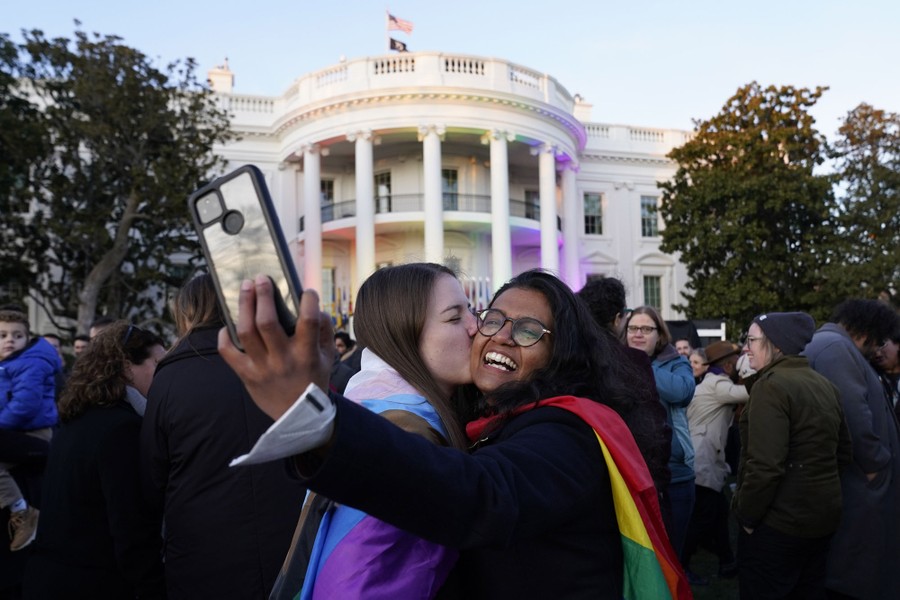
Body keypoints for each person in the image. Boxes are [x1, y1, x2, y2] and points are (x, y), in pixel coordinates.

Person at [222, 271, 689, 599]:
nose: (496, 335)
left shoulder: (567, 434)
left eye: (528, 331)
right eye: (491, 318)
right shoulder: (474, 417)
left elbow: (482, 494)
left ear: (561, 355)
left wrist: (325, 424)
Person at [271, 263, 477, 599]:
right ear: (403, 335)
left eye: (472, 310)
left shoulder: (368, 406)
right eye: (454, 317)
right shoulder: (404, 429)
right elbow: (357, 575)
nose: (474, 326)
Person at [139, 274, 306, 599]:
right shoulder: (283, 362)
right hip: (290, 542)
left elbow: (152, 474)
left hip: (203, 547)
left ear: (187, 311)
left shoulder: (172, 375)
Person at [23, 321, 166, 599]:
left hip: (50, 578)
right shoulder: (121, 428)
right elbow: (130, 527)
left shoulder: (80, 417)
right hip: (90, 583)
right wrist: (153, 588)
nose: (164, 376)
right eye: (158, 365)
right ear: (126, 366)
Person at [734, 312, 851, 599]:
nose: (745, 347)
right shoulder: (824, 385)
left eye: (751, 340)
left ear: (776, 345)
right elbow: (843, 453)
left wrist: (747, 518)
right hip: (819, 523)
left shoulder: (772, 386)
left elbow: (765, 466)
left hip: (779, 527)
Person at [803, 299, 900, 600]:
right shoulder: (836, 349)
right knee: (856, 575)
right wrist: (876, 465)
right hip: (860, 488)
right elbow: (853, 415)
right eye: (880, 340)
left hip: (859, 486)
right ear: (868, 331)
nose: (879, 350)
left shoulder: (834, 346)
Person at [576, 276, 672, 494]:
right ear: (617, 319)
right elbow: (654, 428)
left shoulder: (566, 357)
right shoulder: (633, 361)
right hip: (627, 479)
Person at [620, 306, 696, 560]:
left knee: (673, 554)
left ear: (659, 334)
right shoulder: (617, 364)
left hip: (675, 476)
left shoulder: (677, 363)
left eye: (646, 329)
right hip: (633, 475)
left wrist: (639, 364)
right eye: (633, 328)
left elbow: (681, 392)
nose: (638, 334)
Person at [683, 341, 747, 582]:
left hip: (703, 458)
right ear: (729, 364)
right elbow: (748, 394)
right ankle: (682, 565)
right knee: (702, 518)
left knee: (717, 514)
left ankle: (727, 562)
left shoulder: (710, 382)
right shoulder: (718, 384)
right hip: (704, 459)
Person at [0, 309, 61, 551]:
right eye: (2, 335)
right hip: (14, 432)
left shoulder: (31, 362)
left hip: (32, 434)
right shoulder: (8, 365)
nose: (9, 340)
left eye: (17, 335)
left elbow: (25, 405)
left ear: (28, 339)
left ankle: (23, 512)